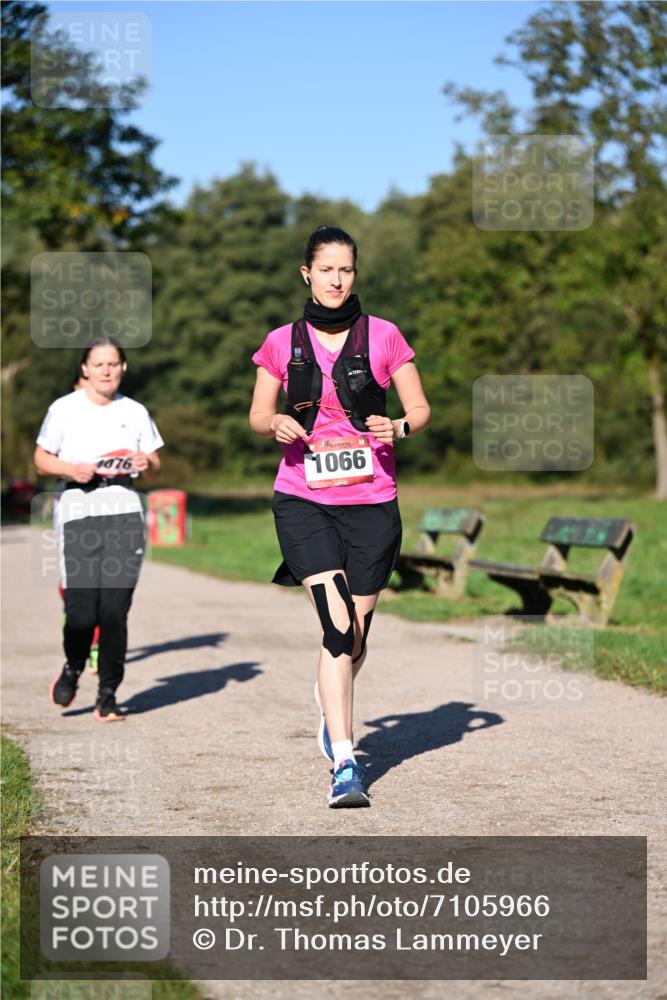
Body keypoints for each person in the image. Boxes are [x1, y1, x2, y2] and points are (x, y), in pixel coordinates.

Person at [249, 225, 430, 807]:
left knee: (354, 639)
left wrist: (399, 426)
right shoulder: (281, 342)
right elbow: (257, 414)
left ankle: (331, 698)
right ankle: (346, 762)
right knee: (335, 628)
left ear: (355, 274)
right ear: (307, 273)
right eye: (325, 269)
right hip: (303, 500)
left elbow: (420, 408)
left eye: (345, 270)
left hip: (373, 503)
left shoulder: (385, 336)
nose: (336, 280)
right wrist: (275, 423)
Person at [34, 337, 163, 721]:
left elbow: (155, 467)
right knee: (80, 614)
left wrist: (147, 463)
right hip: (79, 513)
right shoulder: (64, 409)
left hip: (125, 515)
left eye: (113, 364)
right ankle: (73, 666)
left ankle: (108, 693)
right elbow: (41, 459)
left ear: (123, 368)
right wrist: (70, 469)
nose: (106, 371)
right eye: (99, 364)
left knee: (113, 613)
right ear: (85, 369)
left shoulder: (135, 411)